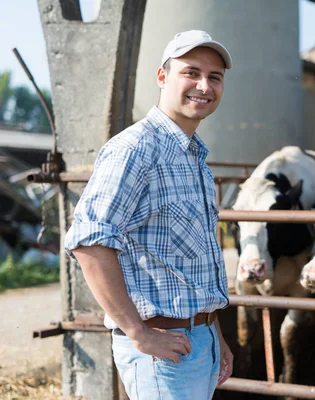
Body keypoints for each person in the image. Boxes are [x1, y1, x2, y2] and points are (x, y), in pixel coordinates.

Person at [65, 30, 234, 400]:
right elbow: (88, 240)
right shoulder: (136, 149)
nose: (204, 86)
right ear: (163, 77)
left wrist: (214, 334)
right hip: (161, 345)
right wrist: (138, 333)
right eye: (191, 72)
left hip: (199, 340)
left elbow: (193, 264)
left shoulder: (194, 156)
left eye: (215, 77)